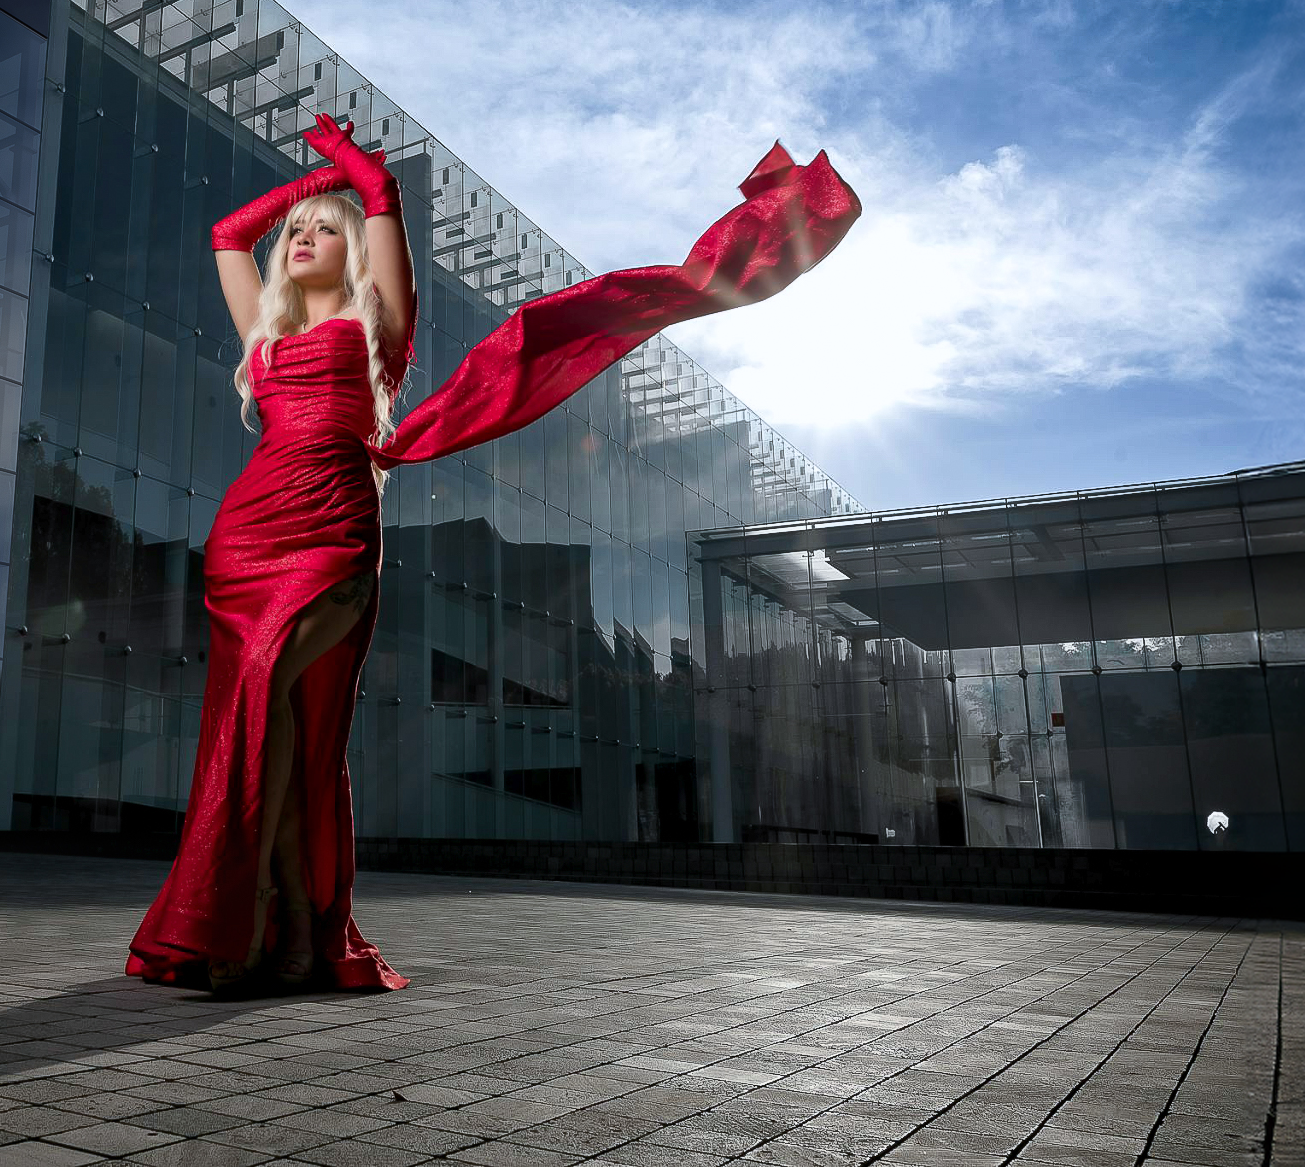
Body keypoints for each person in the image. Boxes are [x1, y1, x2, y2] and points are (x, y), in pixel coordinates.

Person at [126, 115, 860, 994]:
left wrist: (358, 176)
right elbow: (225, 235)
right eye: (292, 235)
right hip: (246, 534)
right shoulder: (266, 337)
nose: (300, 240)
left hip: (332, 527)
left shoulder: (376, 332)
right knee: (265, 717)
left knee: (274, 695)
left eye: (322, 230)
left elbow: (380, 208)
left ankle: (263, 921)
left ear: (353, 249)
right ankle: (276, 920)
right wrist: (304, 188)